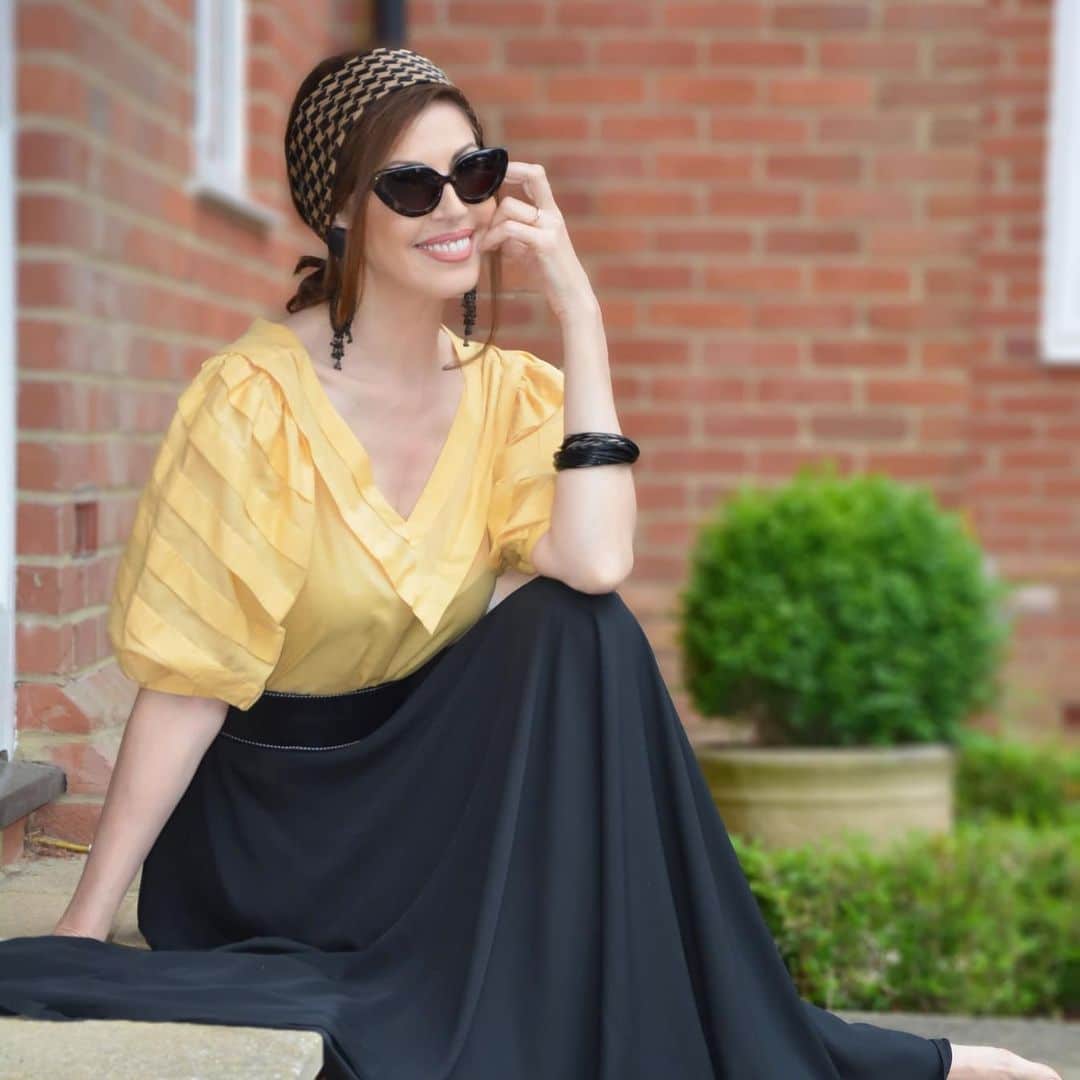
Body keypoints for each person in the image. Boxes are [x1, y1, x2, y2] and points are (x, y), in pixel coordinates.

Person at [0, 46, 1062, 1080]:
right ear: (341, 211)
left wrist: (578, 309)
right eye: (411, 185)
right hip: (278, 834)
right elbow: (188, 687)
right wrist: (88, 922)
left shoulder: (511, 396)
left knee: (577, 625)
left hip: (414, 816)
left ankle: (757, 1028)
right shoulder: (252, 404)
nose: (453, 209)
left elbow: (597, 560)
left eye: (473, 173)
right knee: (568, 629)